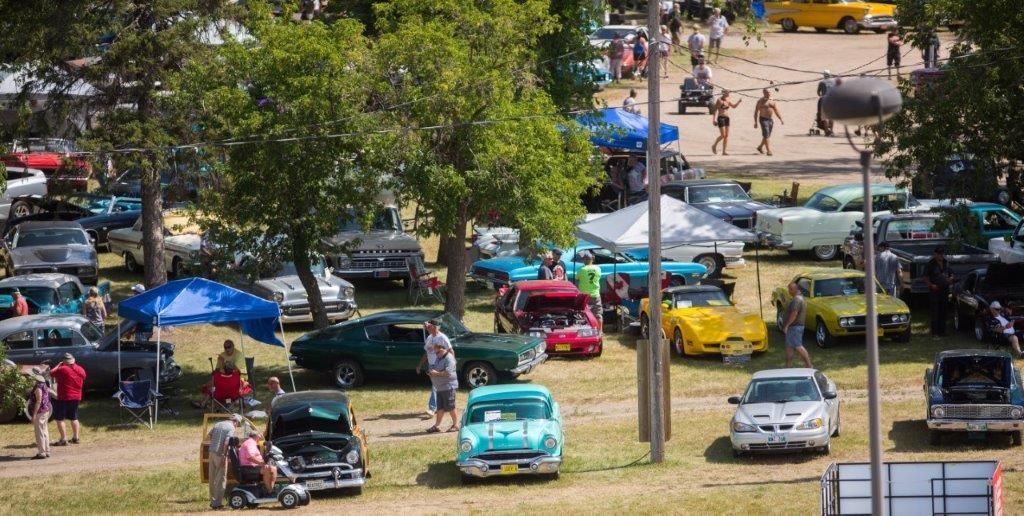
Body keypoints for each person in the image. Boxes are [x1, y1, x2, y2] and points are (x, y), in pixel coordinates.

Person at [416, 319, 453, 417]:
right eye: (427, 327)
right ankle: (444, 406)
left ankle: (432, 408)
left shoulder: (442, 338)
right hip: (431, 365)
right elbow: (426, 353)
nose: (427, 328)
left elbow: (450, 350)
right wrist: (420, 365)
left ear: (435, 327)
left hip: (440, 364)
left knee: (435, 386)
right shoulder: (429, 338)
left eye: (429, 326)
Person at [49, 353, 86, 446]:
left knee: (59, 418)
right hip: (77, 396)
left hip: (64, 396)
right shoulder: (80, 369)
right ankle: (76, 437)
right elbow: (84, 377)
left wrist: (58, 365)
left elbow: (51, 373)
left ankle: (63, 439)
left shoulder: (62, 369)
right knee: (74, 417)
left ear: (64, 362)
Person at [208, 415, 241, 510]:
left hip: (211, 452)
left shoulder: (218, 424)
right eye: (237, 425)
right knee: (221, 479)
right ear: (236, 422)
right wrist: (223, 454)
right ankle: (217, 504)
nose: (236, 427)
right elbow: (227, 442)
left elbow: (210, 435)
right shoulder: (231, 427)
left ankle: (212, 501)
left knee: (212, 478)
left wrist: (215, 444)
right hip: (220, 454)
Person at [426, 341, 459, 433]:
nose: (436, 355)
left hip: (448, 387)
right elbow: (436, 369)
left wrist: (436, 373)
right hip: (440, 387)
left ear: (444, 349)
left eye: (437, 352)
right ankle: (437, 426)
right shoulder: (439, 358)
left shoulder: (449, 359)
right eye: (435, 353)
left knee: (451, 407)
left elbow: (448, 373)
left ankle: (456, 425)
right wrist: (431, 372)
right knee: (440, 408)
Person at [781, 283, 813, 368]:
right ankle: (788, 367)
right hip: (793, 327)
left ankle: (809, 365)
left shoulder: (797, 300)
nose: (789, 291)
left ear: (796, 290)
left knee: (798, 346)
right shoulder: (797, 299)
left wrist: (787, 325)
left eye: (790, 289)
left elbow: (794, 313)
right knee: (789, 347)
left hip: (795, 327)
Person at [923, 246, 953, 337]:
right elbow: (925, 277)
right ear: (935, 254)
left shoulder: (946, 262)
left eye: (942, 253)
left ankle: (943, 331)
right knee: (935, 311)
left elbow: (951, 273)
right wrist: (931, 285)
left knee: (943, 311)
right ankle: (935, 332)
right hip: (935, 291)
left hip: (944, 290)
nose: (941, 255)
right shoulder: (930, 264)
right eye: (939, 253)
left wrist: (951, 278)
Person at [238, 431, 277, 495]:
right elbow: (250, 457)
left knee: (273, 468)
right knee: (267, 468)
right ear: (257, 436)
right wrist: (262, 463)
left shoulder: (252, 442)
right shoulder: (250, 443)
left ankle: (270, 490)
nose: (262, 436)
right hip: (248, 467)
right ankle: (270, 491)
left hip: (252, 466)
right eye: (260, 434)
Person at [754, 88, 784, 156]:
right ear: (763, 93)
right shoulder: (760, 101)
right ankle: (768, 151)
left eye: (769, 92)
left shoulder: (772, 101)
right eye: (767, 92)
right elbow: (756, 112)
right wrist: (755, 122)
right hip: (763, 119)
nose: (768, 93)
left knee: (767, 136)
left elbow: (776, 110)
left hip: (770, 120)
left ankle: (760, 147)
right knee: (766, 134)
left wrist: (780, 119)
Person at [28, 368, 51, 460]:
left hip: (40, 412)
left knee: (39, 432)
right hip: (45, 410)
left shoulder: (38, 387)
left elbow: (38, 401)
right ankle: (47, 450)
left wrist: (34, 415)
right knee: (44, 431)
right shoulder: (43, 384)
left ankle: (42, 452)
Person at [711, 89, 741, 155]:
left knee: (726, 135)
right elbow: (715, 110)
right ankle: (714, 145)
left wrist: (739, 102)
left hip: (727, 118)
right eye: (727, 93)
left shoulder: (728, 100)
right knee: (723, 135)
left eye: (729, 93)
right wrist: (713, 120)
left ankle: (724, 151)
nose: (728, 94)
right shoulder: (719, 100)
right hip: (721, 118)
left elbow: (733, 106)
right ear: (723, 93)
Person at [577, 253, 603, 328]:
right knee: (598, 314)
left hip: (584, 296)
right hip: (595, 294)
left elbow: (577, 278)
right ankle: (600, 331)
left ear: (584, 260)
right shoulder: (598, 268)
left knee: (584, 314)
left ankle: (587, 330)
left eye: (584, 259)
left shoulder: (581, 269)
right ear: (592, 259)